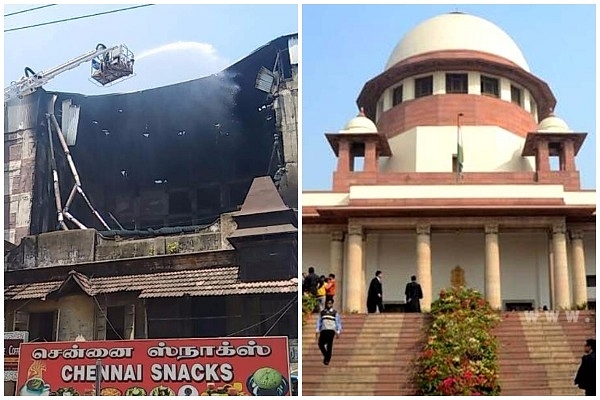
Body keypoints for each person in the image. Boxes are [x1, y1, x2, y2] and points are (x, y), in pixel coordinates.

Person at [315, 298, 342, 365]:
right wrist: (317, 330)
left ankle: (327, 360)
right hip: (323, 330)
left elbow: (338, 322)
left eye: (330, 303)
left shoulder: (335, 313)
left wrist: (338, 331)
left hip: (331, 330)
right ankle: (326, 355)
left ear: (332, 304)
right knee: (321, 344)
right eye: (328, 303)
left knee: (329, 345)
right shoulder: (322, 312)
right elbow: (319, 322)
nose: (329, 305)